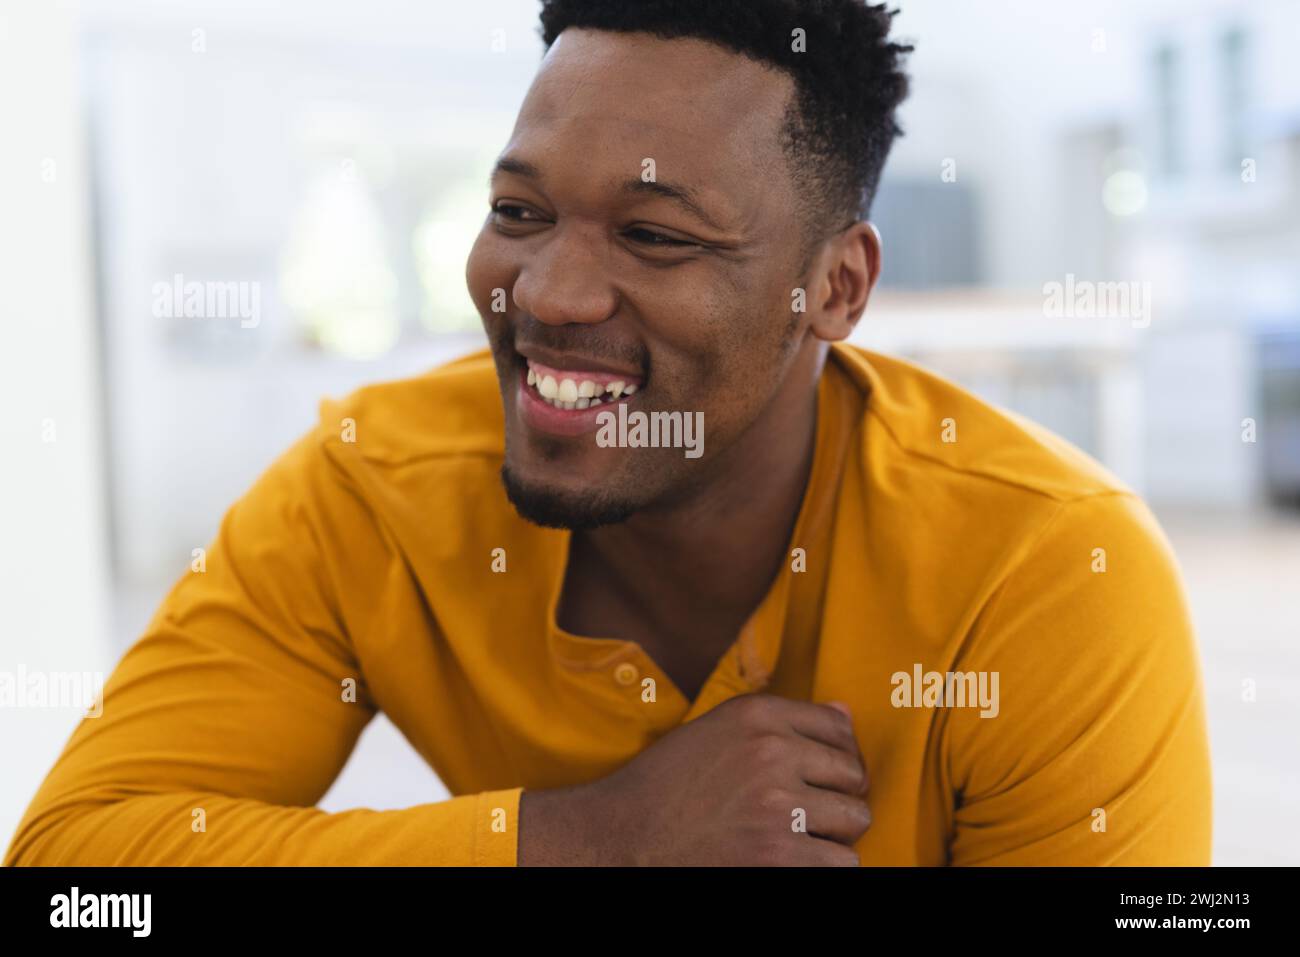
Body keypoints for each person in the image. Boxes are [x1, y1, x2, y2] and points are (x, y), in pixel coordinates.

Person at [6, 0, 1210, 867]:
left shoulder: (1044, 567)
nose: (546, 294)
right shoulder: (371, 491)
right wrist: (583, 839)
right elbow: (79, 875)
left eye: (656, 237)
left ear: (834, 290)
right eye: (518, 212)